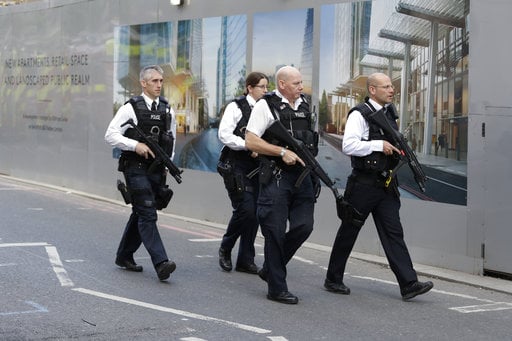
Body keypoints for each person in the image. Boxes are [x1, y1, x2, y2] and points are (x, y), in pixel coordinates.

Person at [324, 72, 433, 300]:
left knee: (394, 233)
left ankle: (409, 283)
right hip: (364, 184)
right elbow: (349, 145)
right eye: (385, 87)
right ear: (372, 90)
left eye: (391, 87)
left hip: (386, 185)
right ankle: (333, 279)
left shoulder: (389, 114)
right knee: (349, 230)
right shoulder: (359, 114)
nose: (391, 90)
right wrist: (377, 144)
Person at [245, 65, 317, 304]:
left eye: (301, 83)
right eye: (296, 83)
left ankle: (270, 267)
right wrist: (281, 151)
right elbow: (251, 141)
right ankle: (277, 287)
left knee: (304, 226)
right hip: (277, 177)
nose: (301, 87)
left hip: (303, 177)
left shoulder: (304, 106)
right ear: (282, 84)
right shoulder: (265, 106)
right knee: (274, 232)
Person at [105, 65, 177, 281]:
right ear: (143, 83)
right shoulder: (130, 108)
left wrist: (167, 162)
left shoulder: (167, 109)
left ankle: (124, 255)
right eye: (154, 81)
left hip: (156, 168)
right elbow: (110, 135)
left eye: (161, 81)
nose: (158, 85)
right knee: (147, 212)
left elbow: (170, 139)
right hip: (135, 167)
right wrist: (134, 145)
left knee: (141, 211)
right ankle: (161, 262)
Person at [217, 72, 269, 274]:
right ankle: (226, 247)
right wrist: (248, 146)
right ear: (249, 87)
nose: (266, 91)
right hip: (236, 165)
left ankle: (245, 260)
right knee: (245, 209)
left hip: (258, 168)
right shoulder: (236, 107)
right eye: (262, 87)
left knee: (255, 213)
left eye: (267, 87)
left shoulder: (266, 109)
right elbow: (224, 134)